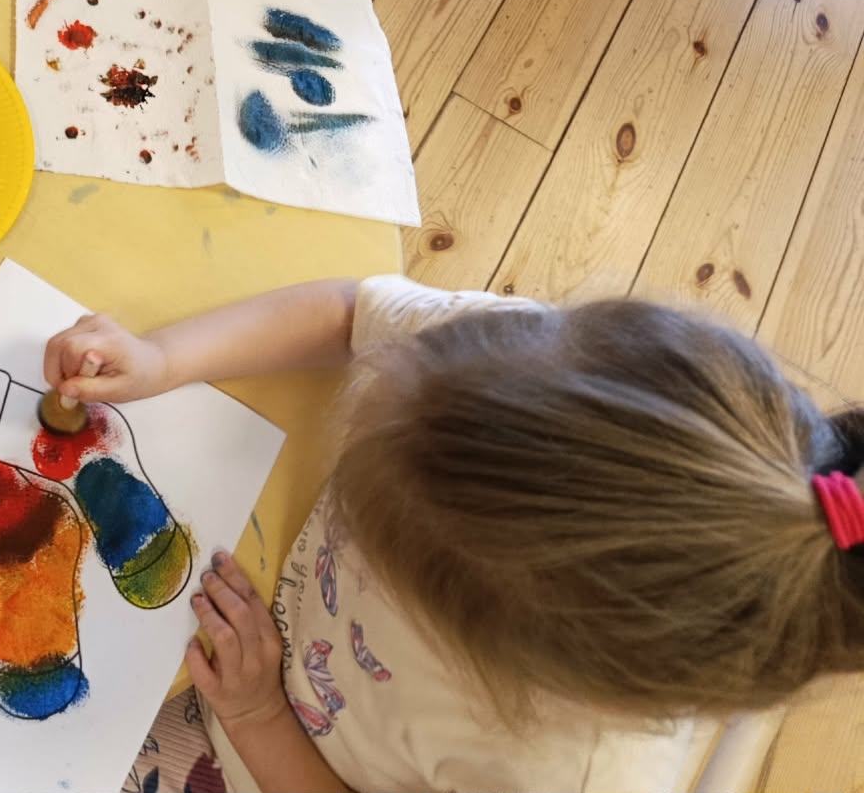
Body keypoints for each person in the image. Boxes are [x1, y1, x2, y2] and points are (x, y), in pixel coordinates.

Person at [43, 277, 864, 793]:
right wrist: (162, 358)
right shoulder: (516, 364)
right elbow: (348, 312)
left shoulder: (566, 773)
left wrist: (258, 715)